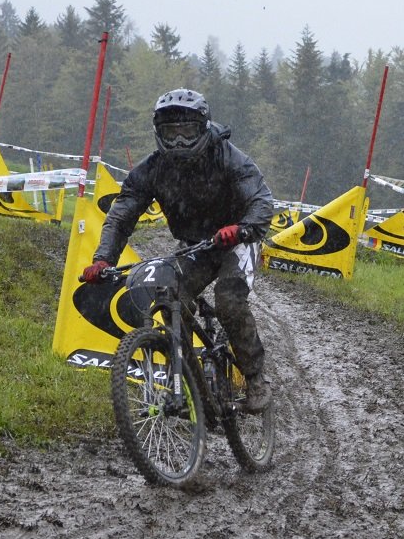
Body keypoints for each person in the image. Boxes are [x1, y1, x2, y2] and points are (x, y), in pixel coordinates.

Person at [82, 88, 277, 412]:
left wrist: (242, 228)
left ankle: (256, 377)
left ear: (203, 128)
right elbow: (120, 216)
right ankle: (189, 380)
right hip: (195, 246)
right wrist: (103, 259)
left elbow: (261, 200)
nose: (179, 142)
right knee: (169, 298)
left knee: (228, 301)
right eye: (171, 134)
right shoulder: (151, 170)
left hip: (237, 240)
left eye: (187, 132)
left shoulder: (229, 157)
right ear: (159, 133)